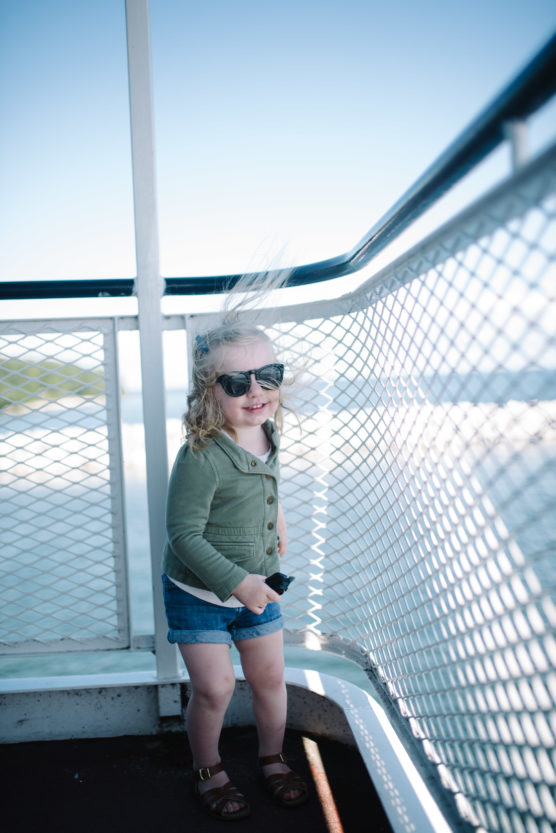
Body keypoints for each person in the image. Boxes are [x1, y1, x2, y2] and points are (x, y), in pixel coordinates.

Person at [162, 316, 308, 821]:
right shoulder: (201, 455)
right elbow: (183, 536)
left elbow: (265, 482)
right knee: (216, 687)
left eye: (268, 375)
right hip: (199, 592)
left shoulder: (267, 432)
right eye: (236, 382)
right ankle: (208, 769)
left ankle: (273, 758)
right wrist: (236, 582)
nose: (255, 390)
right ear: (209, 392)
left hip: (259, 585)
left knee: (270, 677)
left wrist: (279, 517)